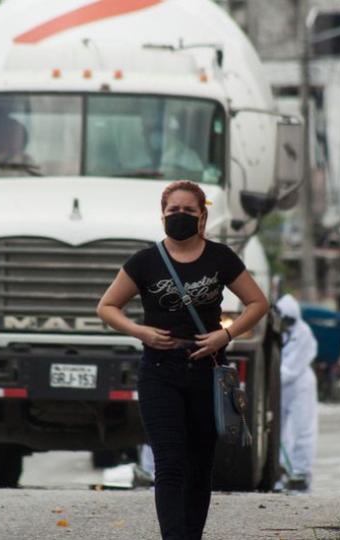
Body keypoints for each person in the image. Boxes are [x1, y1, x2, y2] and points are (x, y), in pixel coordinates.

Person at [97, 180, 269, 540]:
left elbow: (258, 303)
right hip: (160, 373)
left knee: (199, 464)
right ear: (162, 216)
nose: (180, 216)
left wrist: (226, 334)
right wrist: (140, 331)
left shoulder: (220, 258)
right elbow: (107, 307)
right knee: (170, 463)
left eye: (188, 211)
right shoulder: (145, 262)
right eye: (173, 211)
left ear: (202, 216)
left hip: (207, 373)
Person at [275, 294, 318, 492]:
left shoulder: (303, 333)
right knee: (277, 428)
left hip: (300, 385)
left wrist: (274, 379)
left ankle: (300, 471)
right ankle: (279, 470)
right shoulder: (278, 333)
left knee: (302, 428)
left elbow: (292, 368)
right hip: (280, 386)